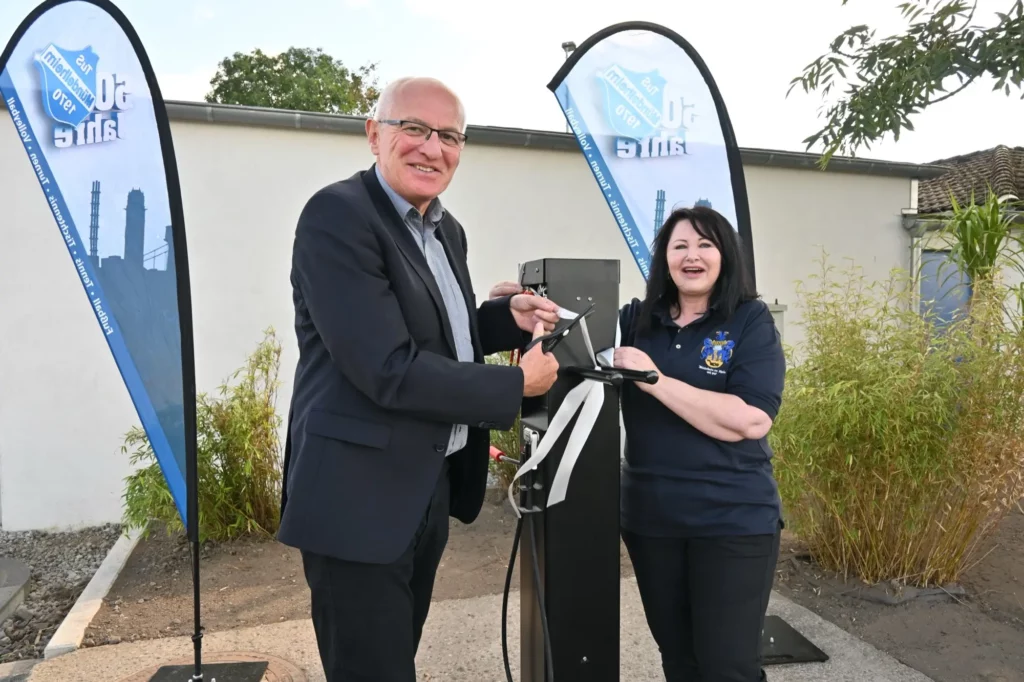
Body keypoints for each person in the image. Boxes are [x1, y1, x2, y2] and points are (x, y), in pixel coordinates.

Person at [277, 76, 562, 682]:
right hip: (357, 501)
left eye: (450, 136)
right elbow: (387, 367)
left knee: (393, 659)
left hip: (422, 487)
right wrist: (516, 389)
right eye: (415, 128)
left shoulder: (444, 229)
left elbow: (437, 332)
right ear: (374, 134)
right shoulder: (338, 216)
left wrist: (503, 321)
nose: (433, 148)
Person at [611, 206, 786, 682]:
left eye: (705, 245)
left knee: (727, 666)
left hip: (731, 520)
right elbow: (575, 341)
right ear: (664, 259)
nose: (693, 256)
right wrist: (526, 308)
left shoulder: (749, 321)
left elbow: (750, 420)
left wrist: (653, 379)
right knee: (679, 659)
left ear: (725, 255)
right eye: (680, 246)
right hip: (653, 520)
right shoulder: (635, 320)